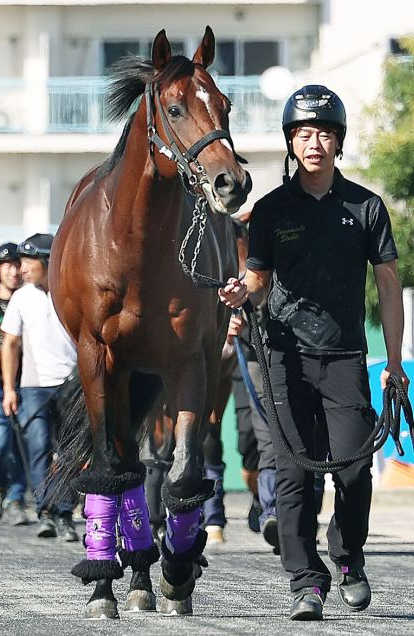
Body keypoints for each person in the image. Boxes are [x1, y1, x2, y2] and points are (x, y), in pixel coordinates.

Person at [218, 84, 409, 621]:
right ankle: (305, 581)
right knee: (294, 473)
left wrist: (393, 363)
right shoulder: (272, 210)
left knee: (353, 469)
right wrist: (240, 292)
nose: (314, 142)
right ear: (290, 141)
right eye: (304, 133)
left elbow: (389, 285)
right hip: (285, 358)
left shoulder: (366, 207)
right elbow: (257, 280)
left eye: (324, 133)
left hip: (347, 357)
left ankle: (348, 560)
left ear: (339, 141)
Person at [1, 233, 79, 541]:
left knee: (70, 452)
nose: (21, 268)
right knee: (38, 449)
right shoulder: (22, 297)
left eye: (28, 261)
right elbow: (10, 343)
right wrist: (9, 388)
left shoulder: (70, 291)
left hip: (72, 385)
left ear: (48, 261)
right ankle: (46, 511)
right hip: (33, 387)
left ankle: (65, 513)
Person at [0, 243, 28, 525]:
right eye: (8, 265)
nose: (15, 271)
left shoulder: (31, 299)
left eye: (17, 264)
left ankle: (16, 498)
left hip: (26, 382)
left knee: (23, 442)